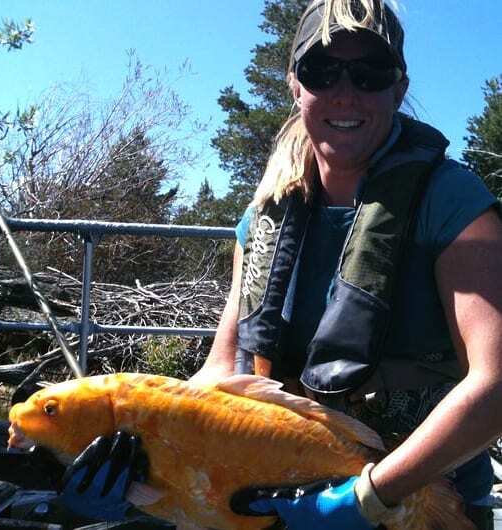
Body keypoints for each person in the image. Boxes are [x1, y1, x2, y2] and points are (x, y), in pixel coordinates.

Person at [58, 1, 502, 529]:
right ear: (295, 84)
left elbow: (494, 383)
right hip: (277, 502)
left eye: (369, 74)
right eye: (321, 71)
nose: (344, 92)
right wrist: (134, 465)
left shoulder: (454, 204)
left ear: (398, 88)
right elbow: (224, 374)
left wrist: (363, 500)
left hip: (422, 505)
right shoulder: (264, 214)